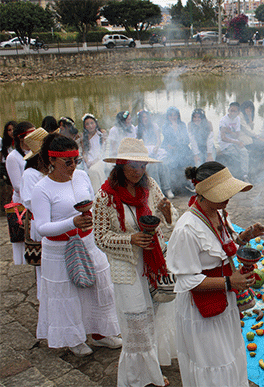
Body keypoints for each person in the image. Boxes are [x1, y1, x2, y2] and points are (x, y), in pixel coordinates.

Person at [166, 161, 264, 387]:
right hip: (201, 308)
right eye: (222, 193)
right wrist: (229, 281)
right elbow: (187, 280)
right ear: (202, 193)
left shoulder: (218, 213)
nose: (227, 198)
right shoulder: (187, 229)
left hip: (223, 302)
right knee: (213, 362)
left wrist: (247, 234)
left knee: (229, 355)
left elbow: (224, 246)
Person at [94, 137, 178, 387]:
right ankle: (136, 378)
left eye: (142, 165)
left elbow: (170, 216)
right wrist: (131, 239)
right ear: (119, 165)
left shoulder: (149, 185)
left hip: (153, 263)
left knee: (151, 317)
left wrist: (166, 211)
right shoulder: (105, 196)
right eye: (132, 165)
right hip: (127, 267)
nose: (137, 170)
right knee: (135, 325)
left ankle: (150, 372)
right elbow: (99, 237)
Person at [31, 133, 121, 357]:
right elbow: (42, 227)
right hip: (60, 249)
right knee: (67, 294)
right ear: (52, 160)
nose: (73, 166)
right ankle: (73, 338)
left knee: (99, 285)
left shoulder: (81, 176)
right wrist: (72, 222)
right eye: (67, 162)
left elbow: (91, 201)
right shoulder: (42, 188)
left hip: (87, 241)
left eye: (76, 161)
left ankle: (101, 333)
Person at [21, 128, 51, 296]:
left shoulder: (46, 172)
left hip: (53, 221)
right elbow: (29, 201)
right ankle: (44, 298)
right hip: (42, 222)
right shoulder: (30, 174)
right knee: (43, 265)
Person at [6, 122, 34, 265]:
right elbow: (17, 185)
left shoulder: (35, 152)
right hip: (23, 202)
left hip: (36, 198)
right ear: (21, 138)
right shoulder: (13, 157)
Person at [137, 110, 173, 199]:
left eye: (146, 117)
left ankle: (167, 188)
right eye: (143, 117)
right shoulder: (137, 128)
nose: (145, 119)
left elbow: (158, 140)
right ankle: (158, 191)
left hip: (155, 149)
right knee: (153, 166)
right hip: (144, 151)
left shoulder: (154, 126)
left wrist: (157, 147)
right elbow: (137, 143)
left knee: (163, 164)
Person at [161, 106, 193, 193]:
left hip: (182, 148)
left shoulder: (182, 125)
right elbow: (166, 141)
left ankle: (191, 182)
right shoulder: (165, 126)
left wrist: (180, 145)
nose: (173, 117)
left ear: (178, 116)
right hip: (171, 150)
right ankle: (170, 187)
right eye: (171, 115)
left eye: (175, 115)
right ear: (168, 116)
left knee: (188, 159)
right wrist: (169, 146)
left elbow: (187, 139)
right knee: (171, 162)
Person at [218, 102, 250, 181]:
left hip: (235, 141)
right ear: (228, 110)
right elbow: (223, 138)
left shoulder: (237, 119)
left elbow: (237, 135)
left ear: (238, 113)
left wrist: (229, 131)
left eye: (234, 111)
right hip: (225, 144)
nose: (232, 113)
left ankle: (245, 175)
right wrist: (236, 140)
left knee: (244, 152)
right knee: (235, 155)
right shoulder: (223, 120)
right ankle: (234, 176)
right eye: (231, 110)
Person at [81, 114, 107, 193]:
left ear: (95, 123)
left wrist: (95, 161)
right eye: (87, 124)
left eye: (92, 123)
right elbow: (84, 152)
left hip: (99, 159)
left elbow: (103, 150)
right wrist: (87, 162)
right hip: (88, 161)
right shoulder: (83, 136)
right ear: (85, 126)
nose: (90, 126)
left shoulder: (101, 134)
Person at [1, 121, 17, 210]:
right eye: (9, 130)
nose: (11, 132)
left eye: (13, 129)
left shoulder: (22, 143)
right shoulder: (5, 144)